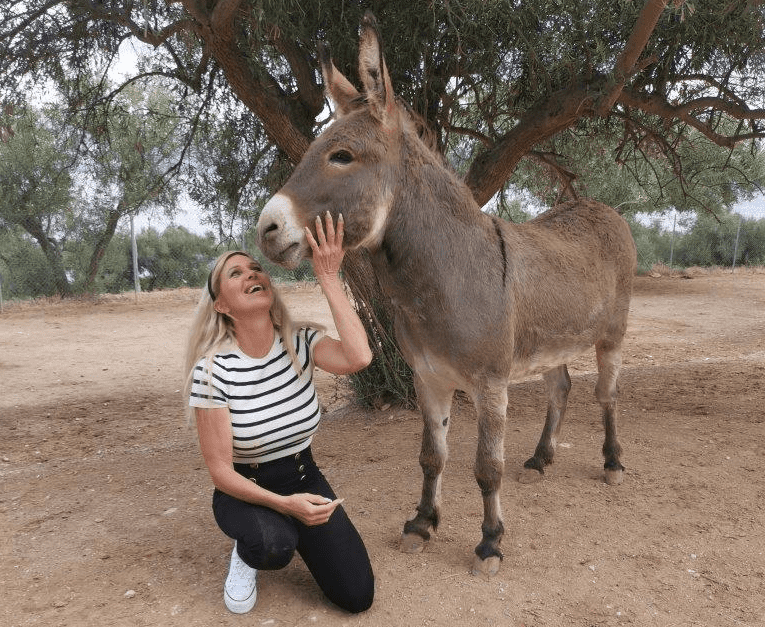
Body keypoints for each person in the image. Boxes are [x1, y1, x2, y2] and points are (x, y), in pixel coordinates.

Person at [183, 212, 375, 614]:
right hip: (244, 489)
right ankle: (249, 549)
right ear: (221, 304)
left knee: (357, 595)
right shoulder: (213, 370)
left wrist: (328, 277)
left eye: (255, 268)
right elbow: (220, 471)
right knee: (274, 546)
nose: (252, 272)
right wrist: (285, 507)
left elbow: (359, 356)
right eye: (235, 273)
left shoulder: (301, 341)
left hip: (305, 477)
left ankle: (287, 526)